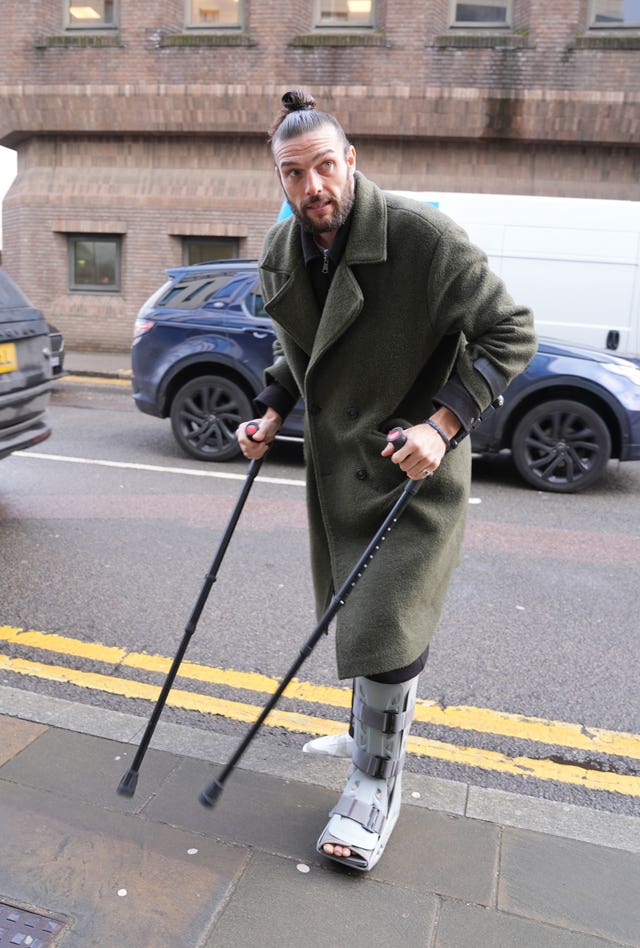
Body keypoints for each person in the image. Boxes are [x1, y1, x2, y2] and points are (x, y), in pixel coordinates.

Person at [237, 89, 537, 871]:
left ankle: (376, 783)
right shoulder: (284, 250)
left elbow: (510, 332)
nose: (314, 188)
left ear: (351, 160)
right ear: (280, 178)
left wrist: (443, 427)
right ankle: (371, 726)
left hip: (413, 468)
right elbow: (303, 348)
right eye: (294, 174)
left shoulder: (422, 239)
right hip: (339, 471)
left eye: (326, 167)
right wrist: (271, 406)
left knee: (387, 625)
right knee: (354, 617)